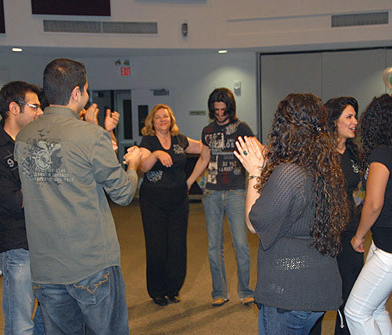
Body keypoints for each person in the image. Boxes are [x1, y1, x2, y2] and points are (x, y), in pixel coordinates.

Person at [14, 58, 141, 335]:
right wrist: (133, 165)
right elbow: (123, 193)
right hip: (90, 264)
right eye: (85, 89)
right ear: (75, 93)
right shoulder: (91, 136)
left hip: (46, 267)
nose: (85, 94)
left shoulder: (24, 137)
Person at [234, 93, 349, 335]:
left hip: (289, 295)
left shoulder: (288, 174)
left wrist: (254, 172)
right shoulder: (324, 165)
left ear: (283, 128)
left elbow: (255, 223)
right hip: (318, 287)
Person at [344, 94, 392, 335]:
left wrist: (359, 236)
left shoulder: (381, 154)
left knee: (355, 312)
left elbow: (373, 204)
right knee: (376, 309)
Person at [0, 81, 45, 334]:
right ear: (13, 108)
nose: (40, 112)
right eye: (35, 106)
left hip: (46, 241)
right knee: (20, 321)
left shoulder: (38, 142)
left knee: (50, 311)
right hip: (18, 245)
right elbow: (14, 201)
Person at [186, 87, 255, 306]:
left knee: (241, 245)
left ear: (230, 108)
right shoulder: (207, 131)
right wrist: (188, 182)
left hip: (236, 191)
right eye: (215, 110)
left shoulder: (242, 128)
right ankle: (219, 292)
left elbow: (255, 152)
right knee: (213, 246)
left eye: (223, 110)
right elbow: (204, 159)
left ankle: (245, 291)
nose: (219, 113)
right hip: (212, 193)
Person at [136, 104, 201, 306]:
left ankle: (173, 289)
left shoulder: (180, 140)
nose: (163, 119)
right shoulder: (148, 141)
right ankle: (157, 291)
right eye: (158, 117)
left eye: (166, 116)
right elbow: (143, 166)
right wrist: (155, 154)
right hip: (153, 201)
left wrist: (190, 181)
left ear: (171, 119)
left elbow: (202, 147)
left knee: (177, 247)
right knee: (157, 247)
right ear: (152, 122)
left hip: (178, 201)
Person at [310, 97, 364, 335]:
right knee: (319, 298)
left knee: (349, 297)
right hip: (324, 234)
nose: (355, 122)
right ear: (333, 121)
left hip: (350, 232)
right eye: (349, 117)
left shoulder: (353, 153)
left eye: (355, 116)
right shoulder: (319, 154)